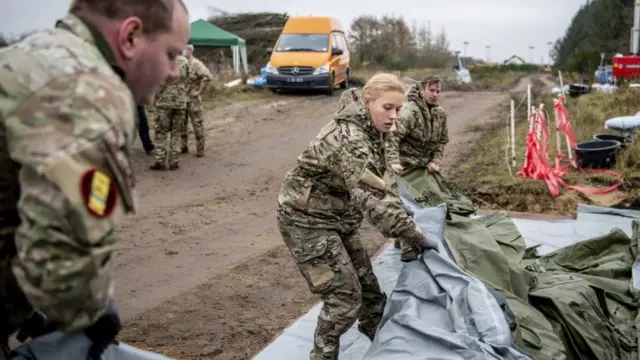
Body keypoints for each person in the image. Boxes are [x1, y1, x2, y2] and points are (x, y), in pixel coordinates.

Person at [0, 0, 189, 357]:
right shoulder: (88, 89)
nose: (175, 71)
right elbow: (65, 259)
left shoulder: (31, 57)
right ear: (131, 36)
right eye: (170, 54)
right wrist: (84, 317)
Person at [276, 73, 438, 360]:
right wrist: (414, 234)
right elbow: (372, 200)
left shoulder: (374, 129)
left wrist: (402, 212)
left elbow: (380, 183)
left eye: (398, 109)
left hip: (338, 218)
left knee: (371, 295)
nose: (393, 116)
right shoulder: (350, 139)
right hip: (306, 221)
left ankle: (388, 351)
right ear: (367, 102)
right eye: (387, 107)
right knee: (344, 299)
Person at [386, 75, 449, 261]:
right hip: (403, 167)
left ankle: (405, 239)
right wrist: (393, 161)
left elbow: (442, 141)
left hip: (422, 168)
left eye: (438, 91)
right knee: (406, 206)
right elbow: (392, 136)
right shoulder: (410, 112)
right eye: (431, 90)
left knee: (427, 202)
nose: (435, 94)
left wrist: (435, 160)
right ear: (422, 90)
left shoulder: (440, 114)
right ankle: (408, 248)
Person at [150, 54, 189, 170]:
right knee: (176, 132)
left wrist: (156, 96)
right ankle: (174, 161)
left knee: (161, 132)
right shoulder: (184, 61)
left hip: (164, 103)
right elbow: (187, 79)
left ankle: (160, 161)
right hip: (180, 102)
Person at [182, 44, 214, 157]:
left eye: (184, 49)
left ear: (189, 50)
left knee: (197, 124)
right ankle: (183, 147)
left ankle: (200, 150)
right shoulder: (182, 63)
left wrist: (199, 91)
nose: (182, 51)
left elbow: (208, 76)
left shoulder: (196, 64)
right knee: (182, 125)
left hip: (193, 99)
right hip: (182, 100)